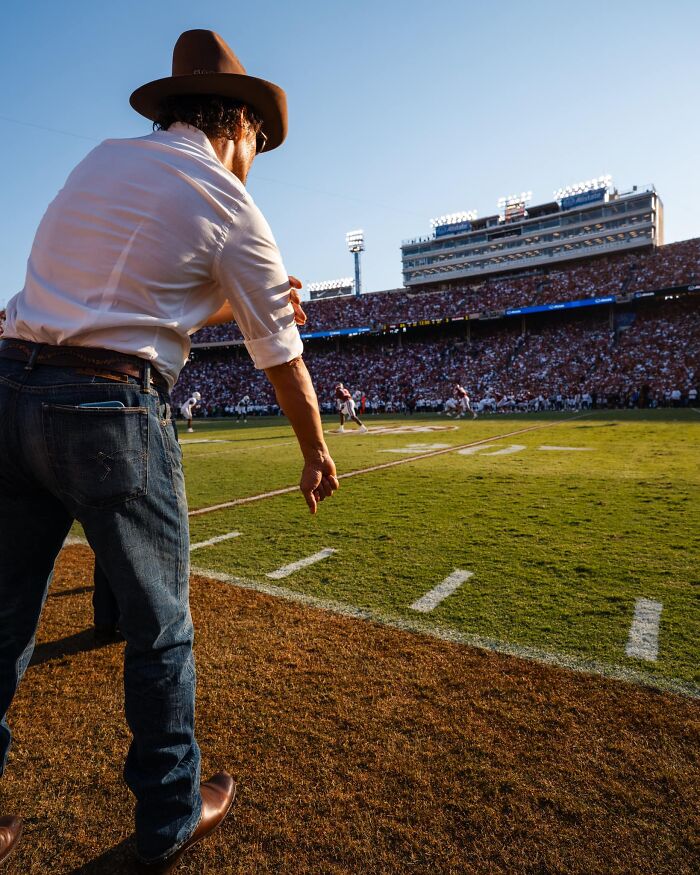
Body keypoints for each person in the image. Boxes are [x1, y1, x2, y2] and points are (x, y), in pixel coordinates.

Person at [0, 29, 338, 872]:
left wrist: (236, 303)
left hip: (11, 393)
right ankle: (170, 813)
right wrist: (315, 450)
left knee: (1, 623)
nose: (258, 155)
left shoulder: (100, 162)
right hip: (108, 409)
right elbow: (282, 356)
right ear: (241, 126)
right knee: (161, 628)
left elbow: (140, 305)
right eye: (261, 140)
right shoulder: (229, 201)